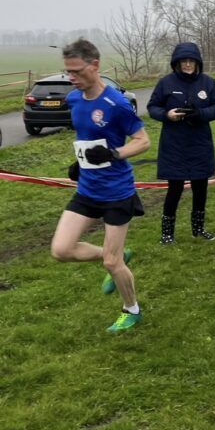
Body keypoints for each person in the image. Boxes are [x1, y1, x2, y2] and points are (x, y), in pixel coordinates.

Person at [51, 38, 150, 332]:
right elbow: (85, 136)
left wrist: (113, 153)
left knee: (111, 263)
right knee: (61, 249)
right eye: (68, 72)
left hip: (117, 192)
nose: (72, 78)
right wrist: (80, 162)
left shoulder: (116, 103)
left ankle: (131, 309)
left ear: (95, 66)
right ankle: (116, 256)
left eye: (77, 71)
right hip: (87, 189)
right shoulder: (74, 100)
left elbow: (143, 141)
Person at [147, 43, 215, 244]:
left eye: (191, 61)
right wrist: (167, 115)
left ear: (197, 63)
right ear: (177, 63)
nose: (188, 64)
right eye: (184, 61)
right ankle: (167, 233)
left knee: (201, 187)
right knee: (175, 188)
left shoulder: (207, 82)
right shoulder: (166, 83)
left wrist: (201, 114)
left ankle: (198, 228)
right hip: (175, 144)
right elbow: (152, 107)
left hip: (200, 143)